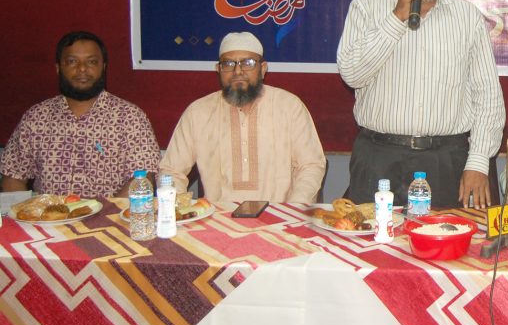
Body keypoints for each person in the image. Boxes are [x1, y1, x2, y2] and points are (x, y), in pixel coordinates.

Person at [337, 0, 504, 209]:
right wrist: (397, 15)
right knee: (374, 239)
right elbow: (352, 74)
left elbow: (487, 96)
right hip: (378, 157)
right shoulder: (366, 7)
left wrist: (478, 162)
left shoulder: (466, 16)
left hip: (445, 161)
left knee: (446, 239)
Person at [160, 31, 326, 204]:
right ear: (218, 69)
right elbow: (171, 171)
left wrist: (293, 209)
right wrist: (179, 210)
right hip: (216, 217)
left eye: (248, 63)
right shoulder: (198, 113)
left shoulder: (289, 107)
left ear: (263, 69)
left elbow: (311, 165)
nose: (237, 71)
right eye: (228, 64)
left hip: (279, 215)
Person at [1, 31, 160, 197]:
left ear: (103, 67)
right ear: (58, 68)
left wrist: (110, 211)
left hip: (111, 213)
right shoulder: (36, 118)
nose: (82, 68)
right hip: (48, 213)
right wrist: (26, 210)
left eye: (91, 62)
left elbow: (143, 179)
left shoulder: (129, 117)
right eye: (72, 61)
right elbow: (13, 176)